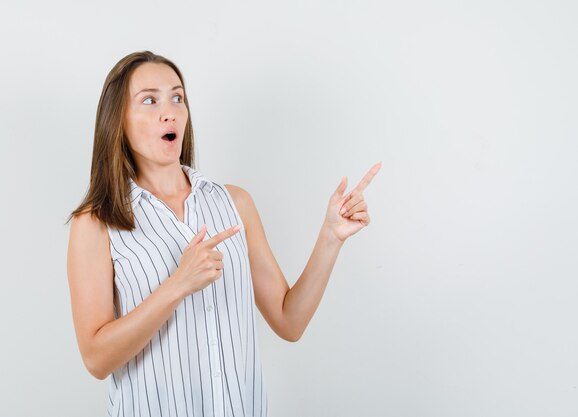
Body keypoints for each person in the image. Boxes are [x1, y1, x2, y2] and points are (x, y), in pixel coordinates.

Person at [66, 50, 381, 417]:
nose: (169, 111)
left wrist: (331, 237)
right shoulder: (96, 222)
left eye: (177, 97)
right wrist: (178, 284)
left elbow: (289, 321)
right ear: (118, 121)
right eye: (149, 100)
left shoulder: (235, 203)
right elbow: (96, 359)